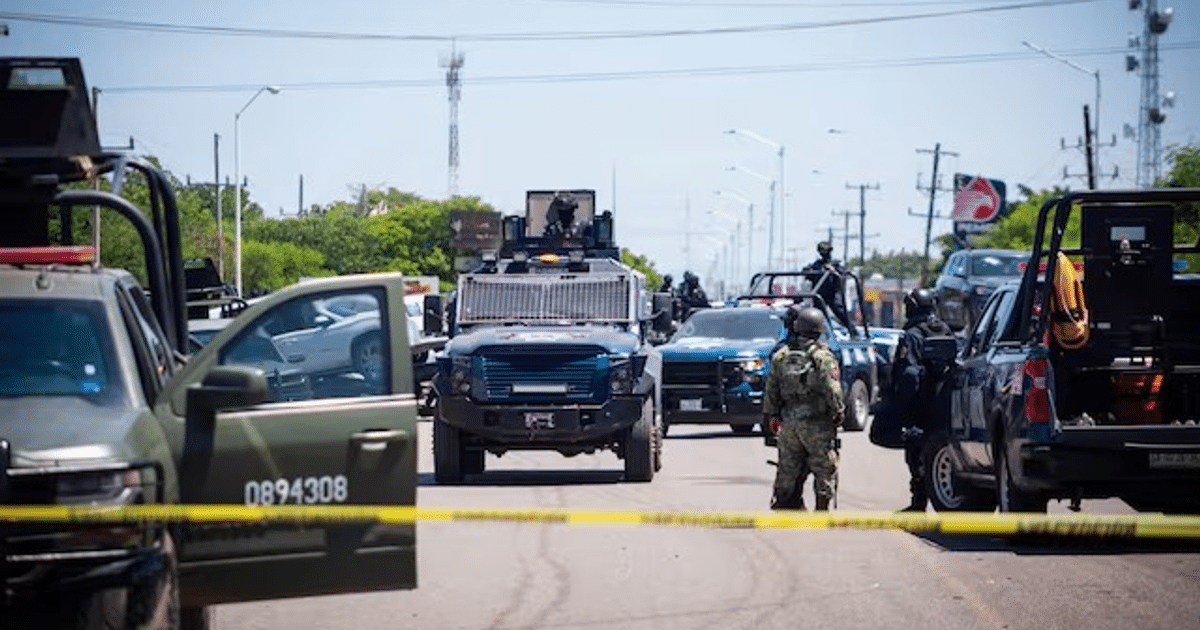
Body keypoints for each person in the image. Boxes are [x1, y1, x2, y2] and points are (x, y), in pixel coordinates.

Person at [764, 306, 845, 511]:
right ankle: (821, 509)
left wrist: (773, 415)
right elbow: (832, 388)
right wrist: (838, 412)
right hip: (817, 422)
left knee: (788, 465)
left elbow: (771, 388)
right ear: (819, 330)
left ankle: (785, 504)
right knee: (823, 466)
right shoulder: (822, 356)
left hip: (789, 422)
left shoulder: (781, 355)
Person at [890, 287, 955, 512]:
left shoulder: (913, 335)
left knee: (916, 454)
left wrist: (902, 404)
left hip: (921, 404)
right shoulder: (945, 329)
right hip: (944, 402)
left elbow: (908, 373)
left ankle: (918, 504)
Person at [801, 241, 855, 334]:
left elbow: (844, 273)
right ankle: (821, 334)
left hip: (833, 293)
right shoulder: (816, 265)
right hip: (820, 294)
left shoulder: (836, 265)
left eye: (827, 250)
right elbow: (806, 273)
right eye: (822, 251)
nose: (824, 253)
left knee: (840, 311)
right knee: (818, 316)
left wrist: (833, 270)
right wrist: (811, 271)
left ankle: (853, 332)